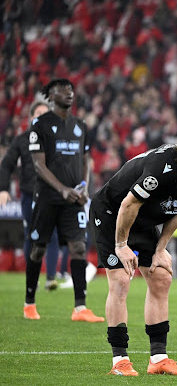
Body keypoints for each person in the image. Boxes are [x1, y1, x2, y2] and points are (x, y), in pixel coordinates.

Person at [93, 138, 177, 376]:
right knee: (121, 281)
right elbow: (128, 205)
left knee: (161, 278)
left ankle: (158, 358)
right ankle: (120, 360)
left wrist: (161, 248)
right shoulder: (158, 168)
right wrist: (121, 245)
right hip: (113, 213)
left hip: (143, 218)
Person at [24, 79, 102, 322]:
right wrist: (62, 189)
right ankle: (29, 303)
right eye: (63, 90)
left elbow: (85, 160)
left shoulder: (80, 125)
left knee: (78, 247)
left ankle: (80, 308)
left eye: (71, 91)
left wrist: (82, 187)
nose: (69, 94)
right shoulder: (41, 125)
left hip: (74, 199)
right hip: (48, 197)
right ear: (51, 95)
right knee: (38, 249)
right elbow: (38, 164)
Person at [0, 101, 65, 291]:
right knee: (31, 236)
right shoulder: (21, 140)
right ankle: (33, 278)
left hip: (51, 195)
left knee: (52, 235)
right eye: (38, 113)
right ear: (31, 117)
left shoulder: (58, 140)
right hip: (29, 194)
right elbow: (6, 165)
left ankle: (50, 278)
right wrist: (4, 188)